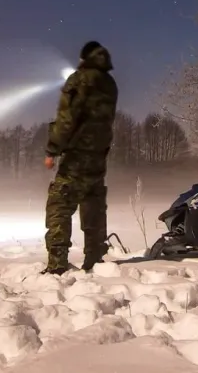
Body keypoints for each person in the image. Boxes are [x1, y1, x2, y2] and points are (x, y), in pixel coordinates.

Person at [41, 40, 118, 275]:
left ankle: (57, 266)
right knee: (93, 207)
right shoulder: (110, 84)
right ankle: (95, 261)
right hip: (98, 159)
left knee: (59, 207)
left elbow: (67, 119)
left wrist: (52, 149)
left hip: (75, 159)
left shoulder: (79, 79)